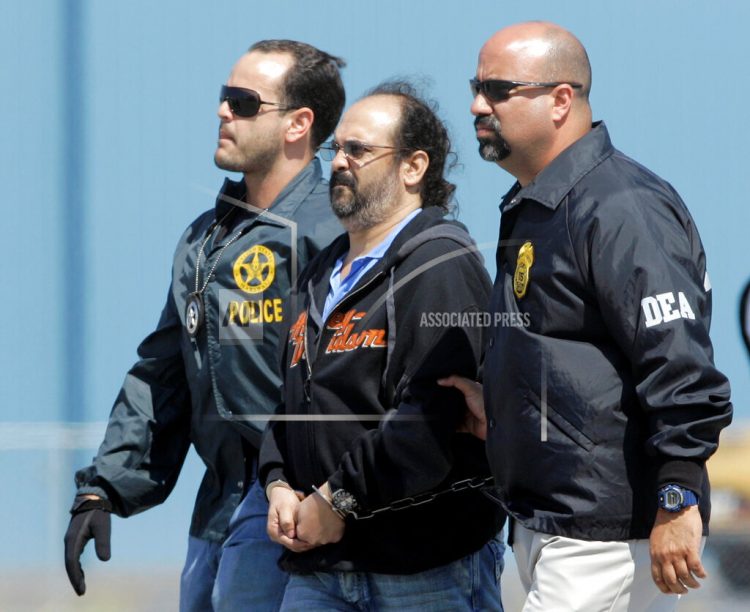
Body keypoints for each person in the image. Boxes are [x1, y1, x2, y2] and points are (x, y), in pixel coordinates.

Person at [440, 21, 733, 612]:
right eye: (476, 86)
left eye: (497, 89)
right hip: (542, 523)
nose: (477, 104)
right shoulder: (542, 203)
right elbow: (568, 351)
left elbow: (681, 366)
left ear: (561, 99)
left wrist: (679, 495)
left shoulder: (621, 205)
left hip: (604, 535)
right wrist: (500, 401)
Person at [63, 40, 345, 612]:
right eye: (224, 98)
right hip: (217, 507)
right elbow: (163, 370)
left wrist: (331, 496)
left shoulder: (337, 230)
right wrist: (103, 486)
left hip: (294, 508)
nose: (223, 112)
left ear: (299, 124)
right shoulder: (203, 240)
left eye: (243, 102)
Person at [259, 82, 505, 611]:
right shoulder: (320, 272)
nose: (340, 162)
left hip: (422, 567)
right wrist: (277, 482)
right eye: (337, 149)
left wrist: (340, 500)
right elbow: (292, 402)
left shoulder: (439, 263)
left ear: (414, 167)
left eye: (359, 150)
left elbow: (431, 414)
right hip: (321, 568)